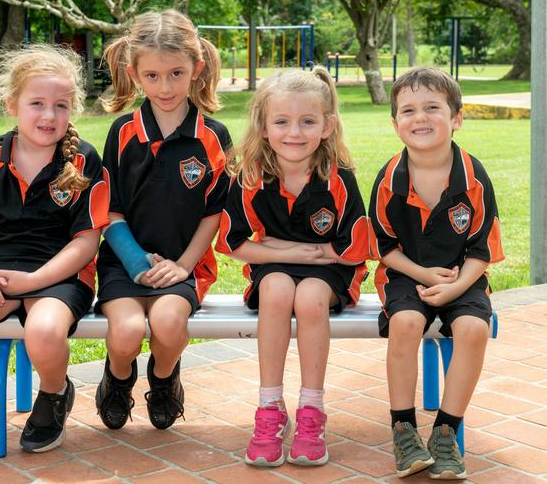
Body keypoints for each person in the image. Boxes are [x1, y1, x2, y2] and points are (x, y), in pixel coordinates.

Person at [0, 44, 109, 453]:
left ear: (73, 109)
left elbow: (86, 242)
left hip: (60, 274)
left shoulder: (82, 160)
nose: (49, 115)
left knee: (43, 332)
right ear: (13, 104)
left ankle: (54, 393)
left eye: (60, 105)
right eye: (37, 103)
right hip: (0, 271)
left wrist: (38, 280)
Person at [215, 67, 370, 467]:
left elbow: (351, 249)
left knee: (312, 296)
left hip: (331, 276)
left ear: (327, 126)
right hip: (279, 271)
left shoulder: (338, 178)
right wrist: (304, 252)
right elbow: (234, 243)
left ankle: (311, 411)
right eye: (281, 122)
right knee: (278, 289)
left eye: (307, 122)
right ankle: (269, 407)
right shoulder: (250, 176)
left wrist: (275, 245)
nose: (294, 132)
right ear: (263, 127)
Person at [95, 9, 232, 432]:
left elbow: (214, 213)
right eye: (152, 76)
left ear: (197, 68)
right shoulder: (122, 132)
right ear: (134, 72)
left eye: (176, 73)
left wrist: (184, 265)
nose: (165, 86)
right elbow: (109, 210)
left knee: (169, 325)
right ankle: (117, 380)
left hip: (183, 264)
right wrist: (137, 263)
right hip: (124, 263)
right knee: (127, 331)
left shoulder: (214, 136)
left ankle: (163, 377)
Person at [368, 67, 504, 479]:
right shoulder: (390, 180)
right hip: (405, 273)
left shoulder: (474, 177)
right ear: (396, 125)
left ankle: (446, 432)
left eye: (433, 108)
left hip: (463, 276)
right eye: (408, 110)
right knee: (406, 323)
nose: (420, 118)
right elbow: (383, 248)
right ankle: (404, 430)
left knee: (474, 330)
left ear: (456, 118)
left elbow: (482, 249)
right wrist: (424, 276)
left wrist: (456, 287)